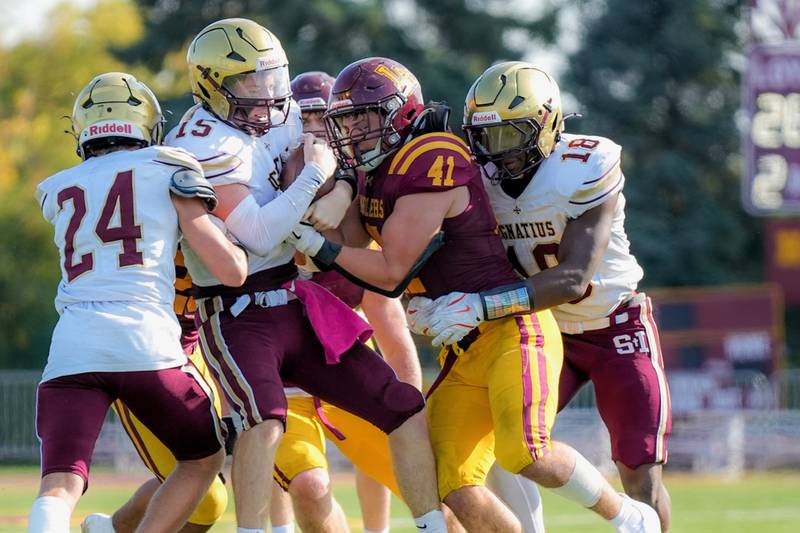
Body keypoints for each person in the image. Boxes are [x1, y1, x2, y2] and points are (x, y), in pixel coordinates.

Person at [289, 56, 660, 533]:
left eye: (365, 116)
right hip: (463, 348)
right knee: (450, 478)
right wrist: (342, 182)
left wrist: (318, 244)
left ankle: (629, 516)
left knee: (525, 451)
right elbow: (360, 246)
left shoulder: (432, 156)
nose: (354, 130)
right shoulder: (381, 168)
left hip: (514, 328)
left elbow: (387, 271)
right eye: (347, 120)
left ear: (401, 113)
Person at [170, 20, 445, 533]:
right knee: (265, 418)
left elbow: (338, 153)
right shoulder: (201, 140)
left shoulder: (280, 114)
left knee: (402, 407)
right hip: (236, 311)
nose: (268, 94)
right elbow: (254, 232)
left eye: (272, 77)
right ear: (213, 84)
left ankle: (430, 525)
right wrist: (318, 176)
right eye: (251, 82)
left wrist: (339, 188)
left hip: (294, 299)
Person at [408, 61, 672, 530]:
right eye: (485, 138)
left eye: (510, 137)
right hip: (536, 327)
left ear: (548, 124)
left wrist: (479, 306)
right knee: (504, 449)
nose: (496, 154)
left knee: (638, 469)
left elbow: (572, 278)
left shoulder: (586, 164)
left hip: (611, 323)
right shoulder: (475, 175)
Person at [29, 71, 248, 533]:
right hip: (147, 343)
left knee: (59, 484)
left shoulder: (55, 188)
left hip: (72, 348)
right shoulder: (170, 164)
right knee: (202, 459)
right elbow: (229, 271)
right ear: (146, 124)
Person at [266, 70, 421, 533]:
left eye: (322, 117)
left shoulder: (361, 206)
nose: (314, 129)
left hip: (346, 356)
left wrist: (413, 410)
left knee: (426, 474)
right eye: (305, 117)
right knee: (295, 478)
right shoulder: (264, 197)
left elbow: (392, 331)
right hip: (283, 373)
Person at [80, 250, 231, 533]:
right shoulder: (154, 214)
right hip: (141, 353)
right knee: (207, 498)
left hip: (195, 349)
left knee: (198, 477)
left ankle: (111, 528)